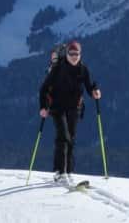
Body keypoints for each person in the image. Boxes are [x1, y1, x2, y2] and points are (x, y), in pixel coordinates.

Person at [39, 40, 101, 183]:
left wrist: (94, 92)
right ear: (66, 54)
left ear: (80, 54)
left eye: (77, 54)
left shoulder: (83, 69)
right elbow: (44, 88)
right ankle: (60, 172)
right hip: (57, 107)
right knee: (63, 137)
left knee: (71, 139)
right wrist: (43, 107)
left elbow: (88, 86)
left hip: (75, 108)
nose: (74, 56)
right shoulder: (58, 68)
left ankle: (68, 171)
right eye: (71, 53)